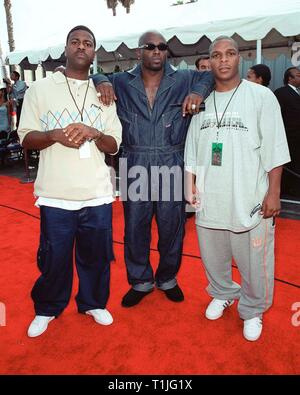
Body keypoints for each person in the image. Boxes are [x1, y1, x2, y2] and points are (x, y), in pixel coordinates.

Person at [93, 30, 214, 308]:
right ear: (139, 52)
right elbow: (94, 77)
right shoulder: (122, 81)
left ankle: (168, 279)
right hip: (135, 162)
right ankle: (141, 281)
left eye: (162, 47)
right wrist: (101, 80)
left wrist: (196, 92)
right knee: (136, 227)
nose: (157, 51)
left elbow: (208, 75)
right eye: (150, 46)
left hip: (172, 162)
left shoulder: (183, 78)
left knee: (172, 228)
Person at [18, 25, 122, 338]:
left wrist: (95, 133)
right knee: (54, 256)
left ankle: (93, 302)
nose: (81, 47)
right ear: (66, 48)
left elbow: (115, 144)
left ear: (94, 52)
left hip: (97, 193)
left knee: (97, 256)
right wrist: (53, 136)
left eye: (87, 43)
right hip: (55, 193)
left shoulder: (105, 92)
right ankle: (47, 307)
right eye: (75, 41)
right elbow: (26, 138)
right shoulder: (40, 89)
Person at [184, 36, 290, 341]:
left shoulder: (260, 96)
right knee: (212, 256)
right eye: (216, 55)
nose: (224, 60)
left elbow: (275, 148)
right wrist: (189, 186)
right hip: (210, 197)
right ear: (209, 61)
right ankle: (223, 292)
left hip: (249, 197)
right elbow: (192, 149)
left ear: (239, 58)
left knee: (254, 261)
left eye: (230, 53)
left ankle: (253, 309)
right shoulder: (200, 100)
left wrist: (273, 193)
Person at [274, 67, 300, 198]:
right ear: (290, 78)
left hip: (297, 140)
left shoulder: (297, 93)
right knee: (288, 166)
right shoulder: (281, 93)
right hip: (288, 138)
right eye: (298, 75)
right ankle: (286, 192)